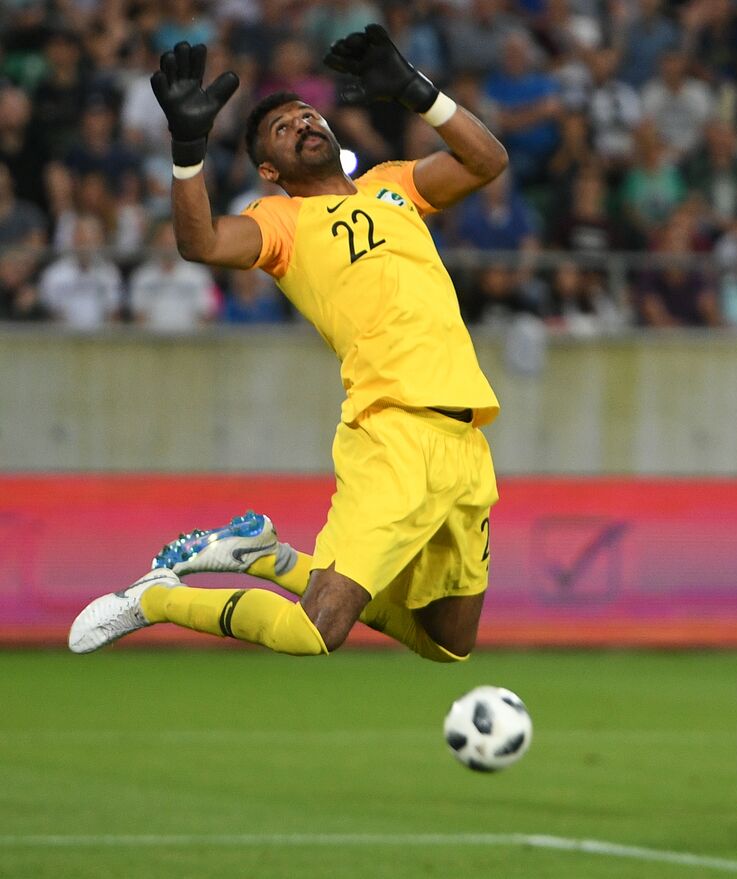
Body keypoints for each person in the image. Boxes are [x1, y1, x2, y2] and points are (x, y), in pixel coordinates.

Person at [68, 29, 510, 668]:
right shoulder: (283, 221)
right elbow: (203, 244)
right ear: (269, 171)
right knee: (316, 630)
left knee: (448, 644)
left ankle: (267, 558)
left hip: (467, 445)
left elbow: (487, 162)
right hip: (393, 435)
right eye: (281, 129)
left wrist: (417, 90)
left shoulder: (393, 186)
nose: (302, 122)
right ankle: (158, 600)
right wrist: (188, 149)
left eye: (307, 114)